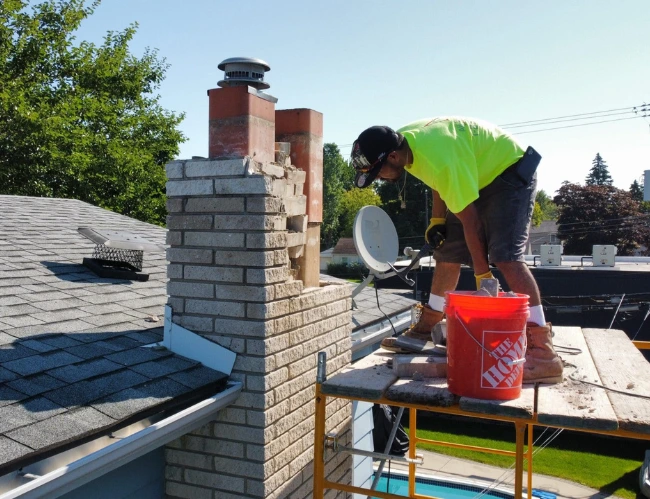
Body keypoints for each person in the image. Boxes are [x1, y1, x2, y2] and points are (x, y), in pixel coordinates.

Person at [351, 117, 563, 384]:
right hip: (476, 171)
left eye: (378, 172)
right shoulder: (404, 144)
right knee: (447, 248)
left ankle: (544, 355)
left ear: (392, 156)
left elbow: (471, 221)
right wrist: (437, 220)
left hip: (509, 169)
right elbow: (436, 179)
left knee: (506, 256)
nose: (379, 178)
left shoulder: (439, 158)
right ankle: (427, 327)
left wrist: (482, 275)